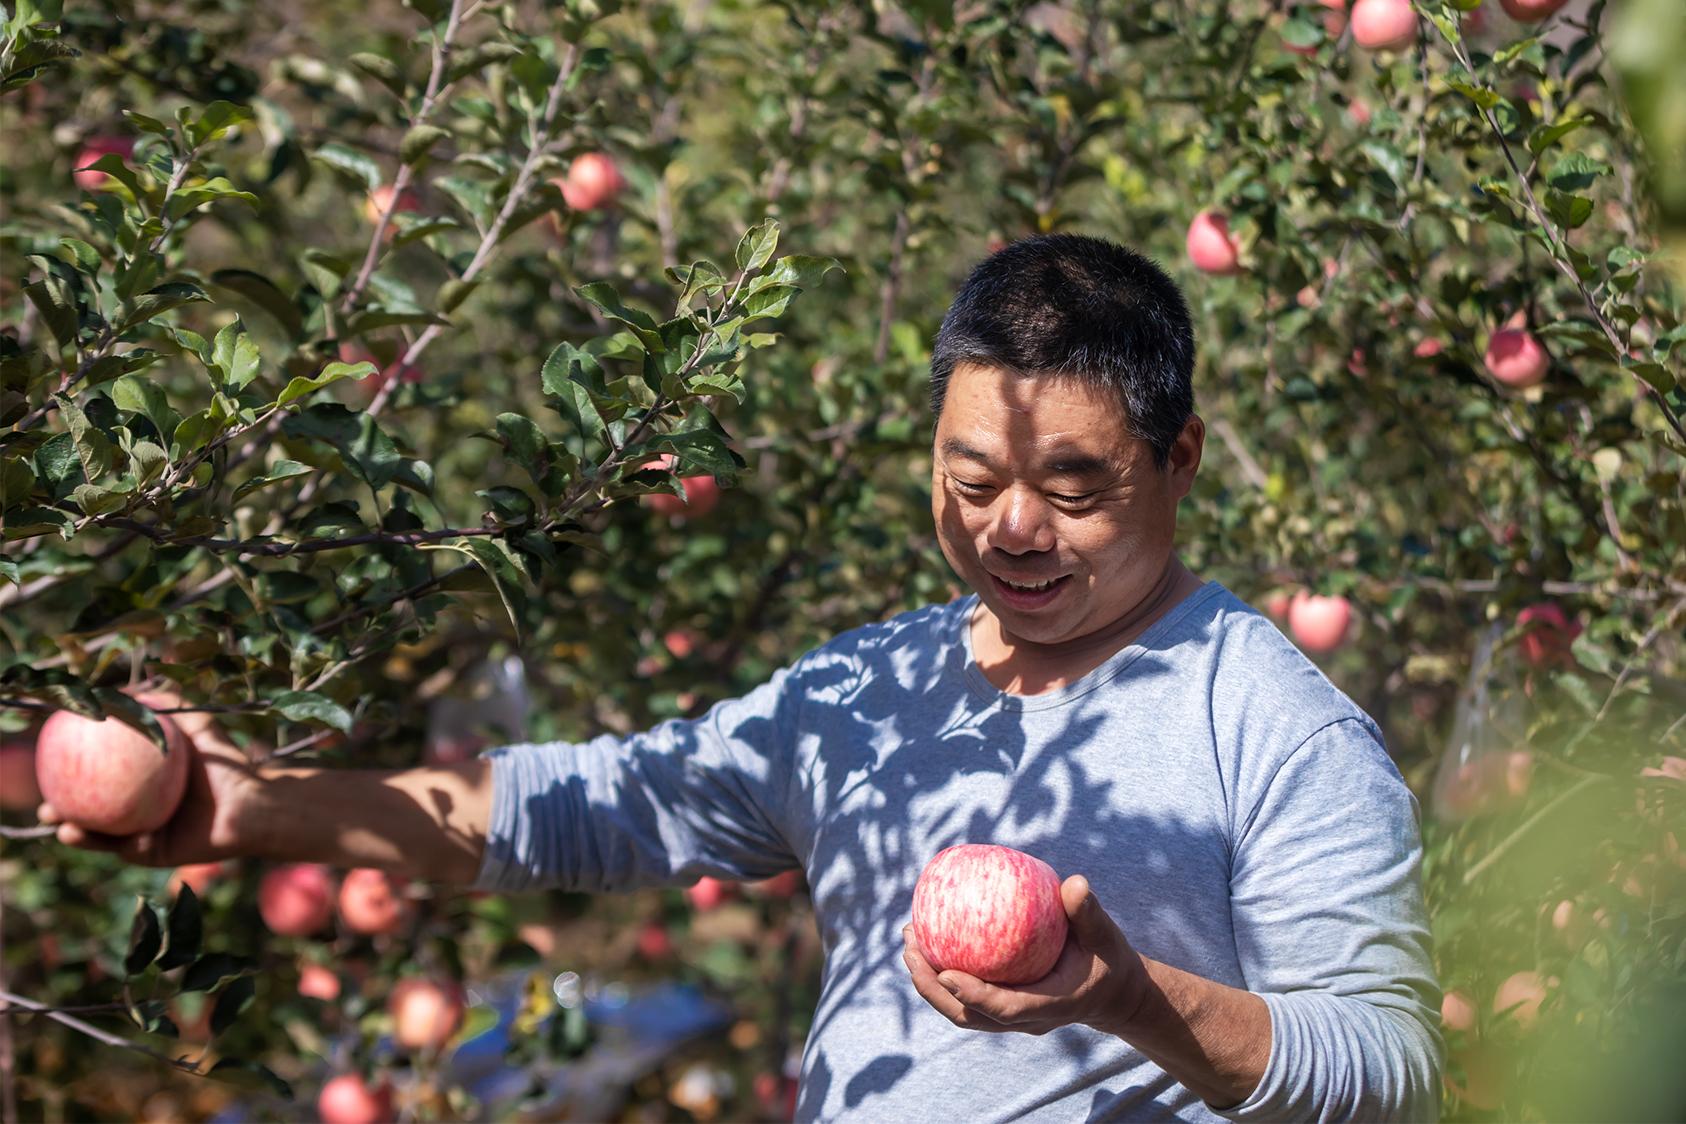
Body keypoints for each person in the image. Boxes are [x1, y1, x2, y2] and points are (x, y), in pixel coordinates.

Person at [43, 234, 1443, 1122]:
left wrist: (1130, 1002)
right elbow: (588, 806)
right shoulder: (865, 690)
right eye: (972, 480)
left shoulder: (1271, 720)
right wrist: (254, 809)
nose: (1011, 527)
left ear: (1177, 458)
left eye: (1070, 486)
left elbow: (1387, 1072)